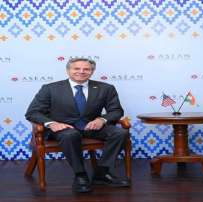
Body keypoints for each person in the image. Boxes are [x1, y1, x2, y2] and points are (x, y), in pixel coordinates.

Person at [25, 58, 130, 193]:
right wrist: (52, 124)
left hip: (91, 127)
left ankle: (102, 173)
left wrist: (102, 120)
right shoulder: (50, 89)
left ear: (92, 71)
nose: (81, 72)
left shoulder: (106, 88)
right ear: (68, 70)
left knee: (120, 133)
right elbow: (32, 112)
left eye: (86, 69)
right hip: (63, 129)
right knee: (71, 135)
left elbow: (116, 111)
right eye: (76, 68)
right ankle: (80, 175)